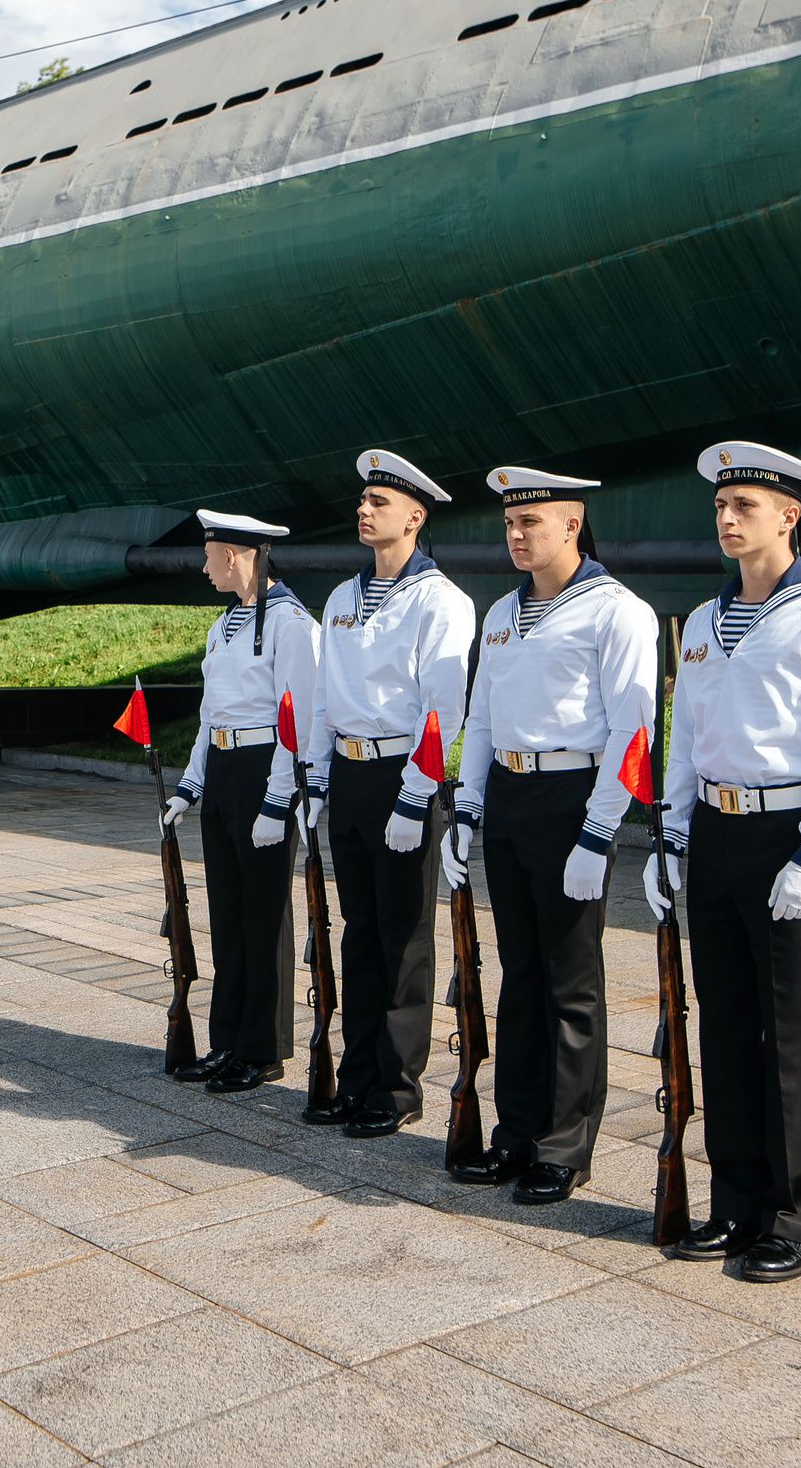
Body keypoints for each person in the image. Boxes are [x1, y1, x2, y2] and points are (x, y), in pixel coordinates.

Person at [651, 441, 801, 1283]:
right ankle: (737, 1200)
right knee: (724, 1026)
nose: (726, 518)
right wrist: (671, 839)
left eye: (744, 505)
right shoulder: (707, 622)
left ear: (789, 516)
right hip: (715, 836)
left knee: (789, 1034)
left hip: (788, 835)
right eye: (720, 505)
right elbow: (686, 744)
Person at [446, 467, 657, 1202]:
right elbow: (481, 713)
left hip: (573, 795)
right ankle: (517, 1131)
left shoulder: (615, 612)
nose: (515, 533)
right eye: (509, 522)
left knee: (571, 981)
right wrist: (466, 806)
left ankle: (566, 1145)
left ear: (572, 524)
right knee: (521, 974)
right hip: (510, 792)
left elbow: (634, 727)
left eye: (529, 521)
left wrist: (599, 831)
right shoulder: (501, 613)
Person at [302, 449, 477, 1139]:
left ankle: (398, 1086)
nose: (364, 509)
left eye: (379, 501)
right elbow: (322, 700)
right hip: (348, 774)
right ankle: (357, 1075)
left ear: (415, 516)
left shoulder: (443, 601)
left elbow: (445, 709)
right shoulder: (342, 599)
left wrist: (414, 796)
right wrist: (317, 778)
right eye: (363, 499)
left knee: (403, 936)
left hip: (402, 774)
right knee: (359, 933)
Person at [163, 510, 320, 1094]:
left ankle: (265, 1048)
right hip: (225, 767)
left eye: (209, 556)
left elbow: (297, 720)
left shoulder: (291, 624)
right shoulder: (222, 626)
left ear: (233, 555)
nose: (203, 567)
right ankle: (226, 1040)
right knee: (226, 915)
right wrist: (189, 786)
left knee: (264, 914)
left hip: (263, 769)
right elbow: (211, 718)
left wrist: (279, 799)